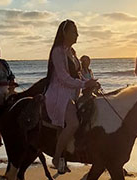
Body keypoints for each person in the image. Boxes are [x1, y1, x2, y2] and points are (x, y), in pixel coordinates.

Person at [44, 19, 97, 173]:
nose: (77, 34)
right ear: (64, 33)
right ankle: (56, 156)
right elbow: (62, 77)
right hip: (59, 94)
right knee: (73, 123)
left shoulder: (71, 53)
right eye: (74, 31)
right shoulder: (57, 51)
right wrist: (84, 84)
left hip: (72, 93)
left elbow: (78, 75)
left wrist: (90, 82)